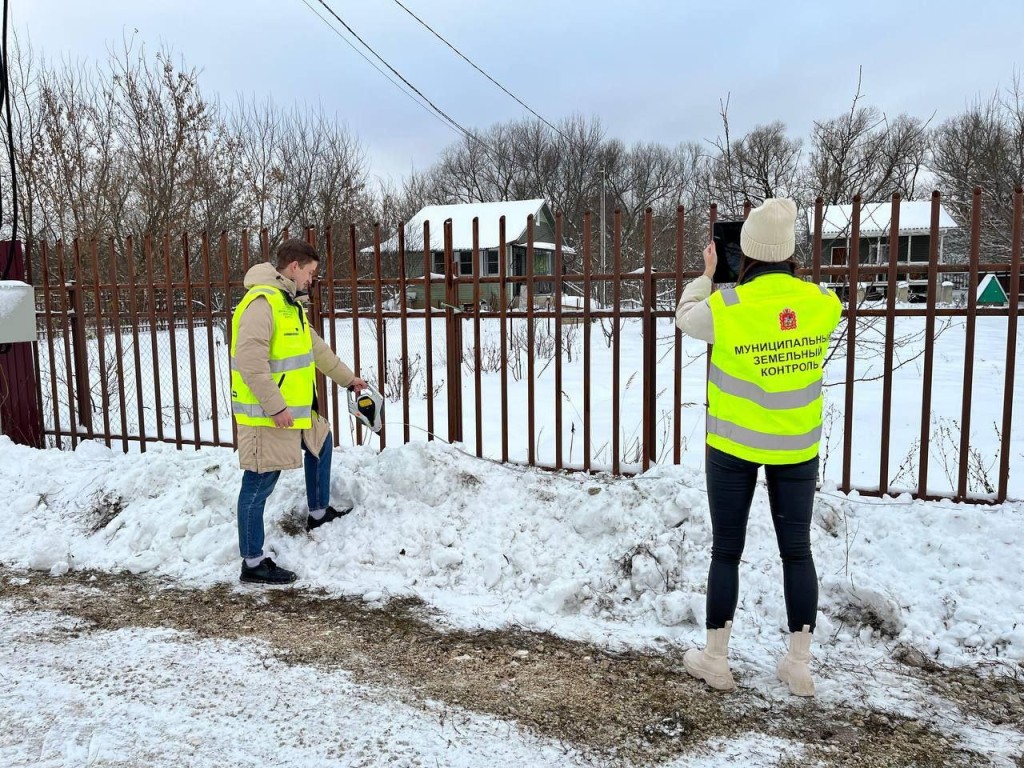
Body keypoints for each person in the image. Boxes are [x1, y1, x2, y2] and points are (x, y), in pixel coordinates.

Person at [675, 198, 842, 696]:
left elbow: (686, 317)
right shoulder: (822, 302)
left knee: (727, 551)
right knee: (798, 551)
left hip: (733, 445)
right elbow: (799, 312)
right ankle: (799, 665)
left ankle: (716, 660)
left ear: (742, 251)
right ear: (790, 252)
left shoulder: (726, 309)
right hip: (796, 446)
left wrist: (707, 275)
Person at [230, 238, 367, 585]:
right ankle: (252, 562)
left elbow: (317, 350)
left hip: (297, 411)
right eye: (310, 272)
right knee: (259, 482)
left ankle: (318, 513)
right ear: (294, 267)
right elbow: (250, 361)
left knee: (321, 441)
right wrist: (275, 406)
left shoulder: (290, 304)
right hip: (267, 415)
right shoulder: (262, 303)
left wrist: (348, 379)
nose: (312, 280)